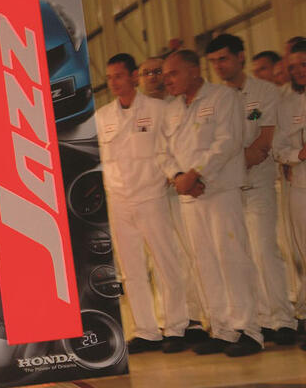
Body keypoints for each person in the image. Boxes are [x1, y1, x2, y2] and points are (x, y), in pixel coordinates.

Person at [160, 49, 263, 357]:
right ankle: (222, 329)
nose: (168, 80)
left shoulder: (223, 98)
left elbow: (228, 141)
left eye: (173, 74)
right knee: (204, 261)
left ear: (194, 71)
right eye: (165, 75)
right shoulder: (172, 109)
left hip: (220, 190)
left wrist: (197, 173)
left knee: (232, 257)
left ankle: (249, 330)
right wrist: (178, 175)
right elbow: (163, 150)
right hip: (191, 195)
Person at [96, 53, 191, 353]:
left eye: (119, 76)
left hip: (152, 196)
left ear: (134, 76)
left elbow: (171, 147)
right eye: (110, 78)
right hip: (120, 201)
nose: (114, 82)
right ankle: (146, 330)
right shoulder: (103, 117)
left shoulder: (158, 109)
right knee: (132, 269)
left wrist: (172, 174)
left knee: (166, 262)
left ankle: (176, 326)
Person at [205, 34, 296, 345]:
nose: (219, 66)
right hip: (226, 190)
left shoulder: (264, 92)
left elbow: (264, 139)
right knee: (235, 255)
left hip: (257, 184)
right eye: (213, 61)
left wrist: (226, 164)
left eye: (224, 59)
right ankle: (254, 320)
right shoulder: (213, 97)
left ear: (240, 57)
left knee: (264, 249)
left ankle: (282, 318)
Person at [273, 40, 306, 337]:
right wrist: (298, 156)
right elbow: (279, 148)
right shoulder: (288, 105)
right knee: (303, 253)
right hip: (300, 187)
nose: (298, 71)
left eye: (303, 64)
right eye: (293, 67)